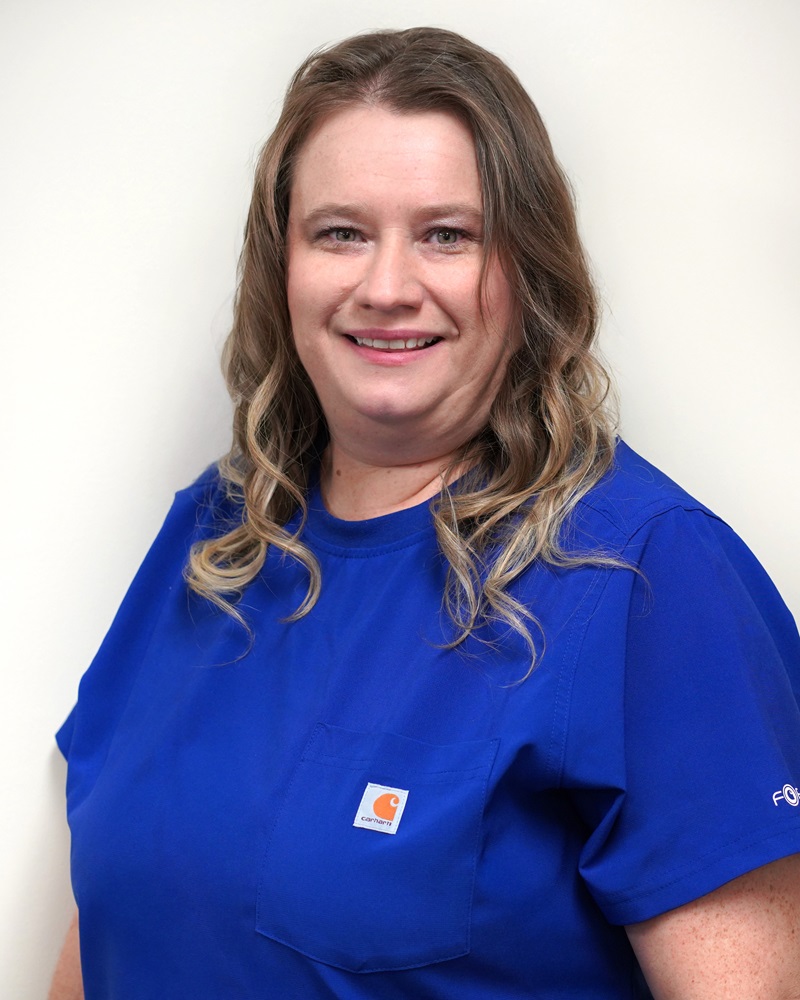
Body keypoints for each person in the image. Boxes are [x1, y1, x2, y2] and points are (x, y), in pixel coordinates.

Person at [51, 26, 800, 1000]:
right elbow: (108, 918)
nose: (386, 288)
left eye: (447, 234)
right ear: (282, 267)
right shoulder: (213, 537)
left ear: (526, 270)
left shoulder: (649, 576)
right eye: (340, 233)